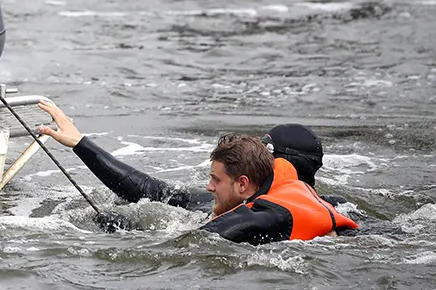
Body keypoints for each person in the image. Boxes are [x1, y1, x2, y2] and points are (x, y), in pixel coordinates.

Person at [36, 101, 358, 244]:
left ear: (244, 184)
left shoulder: (266, 213)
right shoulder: (249, 195)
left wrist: (125, 231)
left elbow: (190, 245)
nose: (209, 187)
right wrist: (79, 142)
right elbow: (151, 190)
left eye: (216, 180)